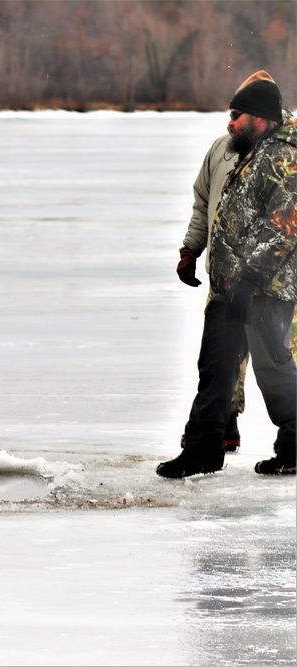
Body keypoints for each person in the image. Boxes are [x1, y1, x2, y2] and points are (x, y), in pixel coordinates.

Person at [158, 77, 297, 478]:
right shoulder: (247, 151)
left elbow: (284, 227)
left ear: (260, 118)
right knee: (216, 367)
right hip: (231, 286)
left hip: (263, 289)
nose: (230, 123)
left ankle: (293, 443)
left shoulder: (284, 158)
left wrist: (250, 283)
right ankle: (203, 449)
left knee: (273, 369)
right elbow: (213, 205)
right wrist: (194, 251)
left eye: (237, 115)